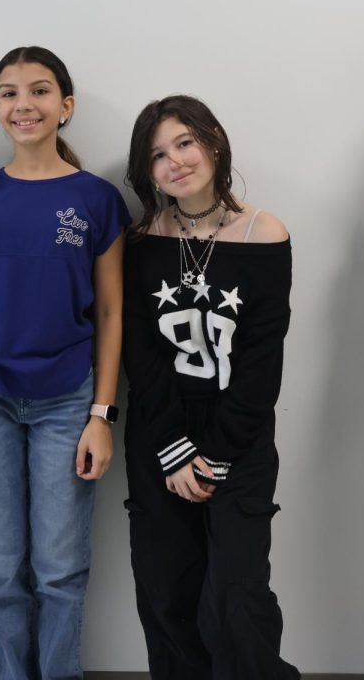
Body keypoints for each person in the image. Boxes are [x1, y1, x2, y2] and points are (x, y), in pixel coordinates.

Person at [0, 46, 129, 680]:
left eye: (40, 91)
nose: (25, 104)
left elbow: (109, 314)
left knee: (60, 567)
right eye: (10, 93)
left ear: (65, 106)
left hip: (68, 402)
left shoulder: (96, 200)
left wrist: (101, 412)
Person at [120, 94, 300, 679]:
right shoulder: (143, 239)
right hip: (160, 435)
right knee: (166, 591)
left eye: (184, 142)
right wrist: (174, 449)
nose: (174, 161)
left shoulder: (264, 233)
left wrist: (216, 457)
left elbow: (261, 362)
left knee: (238, 595)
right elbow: (141, 355)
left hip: (238, 437)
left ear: (213, 141)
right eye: (157, 155)